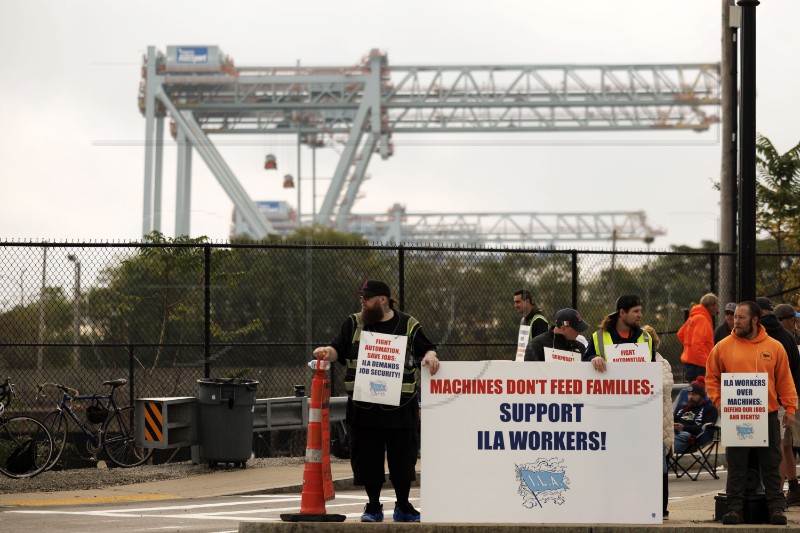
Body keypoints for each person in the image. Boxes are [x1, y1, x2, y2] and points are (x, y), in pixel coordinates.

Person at [313, 280, 440, 523]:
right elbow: (337, 348)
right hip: (364, 407)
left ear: (383, 300)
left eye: (367, 297)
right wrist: (326, 352)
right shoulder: (353, 323)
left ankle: (403, 506)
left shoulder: (407, 323)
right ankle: (372, 506)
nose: (362, 301)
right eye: (361, 296)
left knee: (403, 459)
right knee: (367, 459)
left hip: (401, 407)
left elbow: (427, 347)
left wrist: (431, 356)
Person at [705, 301, 797, 526]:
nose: (735, 321)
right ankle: (735, 509)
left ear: (755, 320)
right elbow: (711, 377)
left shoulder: (774, 346)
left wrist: (790, 409)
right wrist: (719, 402)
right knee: (737, 464)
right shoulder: (723, 346)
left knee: (772, 462)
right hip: (736, 414)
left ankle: (776, 508)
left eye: (741, 317)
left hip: (767, 414)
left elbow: (785, 380)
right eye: (735, 317)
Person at [642, 324, 675, 521]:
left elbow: (663, 384)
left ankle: (662, 508)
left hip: (658, 423)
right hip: (640, 422)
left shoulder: (662, 363)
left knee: (660, 467)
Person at [582, 294, 655, 371]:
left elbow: (653, 368)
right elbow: (585, 360)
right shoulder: (598, 337)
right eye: (636, 311)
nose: (640, 315)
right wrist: (594, 358)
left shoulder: (646, 337)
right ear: (622, 313)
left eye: (640, 311)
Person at [773, 303, 800, 506]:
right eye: (792, 320)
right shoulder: (788, 338)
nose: (794, 324)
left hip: (787, 399)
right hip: (790, 398)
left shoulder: (781, 339)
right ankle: (792, 488)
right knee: (787, 445)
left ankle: (784, 491)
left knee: (785, 445)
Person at [677, 293, 718, 383]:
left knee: (694, 391)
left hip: (690, 363)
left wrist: (689, 349)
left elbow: (680, 334)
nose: (717, 308)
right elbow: (697, 344)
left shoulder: (694, 317)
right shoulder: (702, 319)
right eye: (716, 305)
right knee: (701, 393)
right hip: (699, 365)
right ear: (711, 306)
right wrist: (706, 362)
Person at [673, 376, 718, 453]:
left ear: (701, 396)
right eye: (689, 394)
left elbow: (704, 429)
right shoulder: (683, 407)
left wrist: (684, 427)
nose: (690, 397)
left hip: (693, 439)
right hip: (674, 434)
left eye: (694, 394)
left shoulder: (710, 409)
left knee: (663, 445)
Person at [524, 308, 589, 362]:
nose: (579, 332)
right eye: (576, 329)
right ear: (563, 328)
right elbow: (529, 372)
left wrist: (594, 359)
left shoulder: (580, 347)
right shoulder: (537, 344)